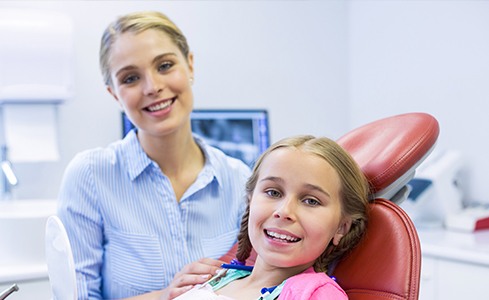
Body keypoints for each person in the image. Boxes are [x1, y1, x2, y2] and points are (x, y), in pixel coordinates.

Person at [57, 11, 251, 300]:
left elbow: (261, 286)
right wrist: (165, 297)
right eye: (131, 78)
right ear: (114, 95)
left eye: (165, 65)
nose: (152, 87)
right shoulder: (90, 176)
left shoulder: (239, 179)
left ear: (190, 65)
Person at [175, 135, 370, 299]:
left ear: (341, 227)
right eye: (273, 192)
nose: (284, 211)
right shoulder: (217, 278)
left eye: (311, 201)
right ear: (251, 201)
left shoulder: (316, 294)